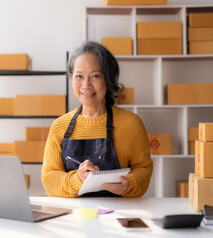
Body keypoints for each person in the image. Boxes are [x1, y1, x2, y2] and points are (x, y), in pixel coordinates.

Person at [41, 41, 153, 198]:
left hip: (117, 216)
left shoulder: (131, 124)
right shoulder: (59, 126)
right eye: (79, 76)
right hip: (73, 218)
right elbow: (49, 178)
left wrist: (129, 184)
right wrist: (77, 179)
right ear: (71, 78)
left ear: (108, 79)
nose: (86, 85)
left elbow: (144, 168)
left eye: (95, 76)